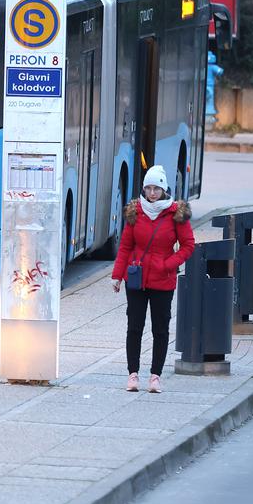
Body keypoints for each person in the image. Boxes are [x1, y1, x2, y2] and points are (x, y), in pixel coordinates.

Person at [111, 165, 195, 392]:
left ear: (164, 189)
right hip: (137, 279)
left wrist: (168, 264)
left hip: (163, 281)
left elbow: (188, 246)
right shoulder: (134, 212)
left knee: (160, 329)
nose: (151, 193)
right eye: (148, 188)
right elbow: (126, 246)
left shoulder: (176, 214)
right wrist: (118, 275)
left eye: (156, 188)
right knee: (134, 327)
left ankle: (155, 376)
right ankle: (133, 374)